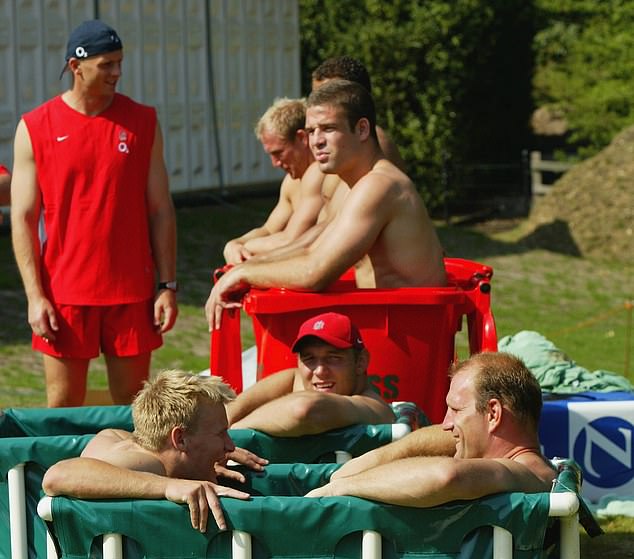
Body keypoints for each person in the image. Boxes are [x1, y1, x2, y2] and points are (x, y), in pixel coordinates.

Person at [10, 20, 178, 407]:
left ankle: (131, 471)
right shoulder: (35, 126)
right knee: (63, 406)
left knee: (136, 408)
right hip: (65, 292)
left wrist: (167, 287)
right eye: (107, 65)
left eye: (119, 63)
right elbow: (22, 217)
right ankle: (62, 471)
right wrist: (35, 297)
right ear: (76, 66)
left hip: (131, 290)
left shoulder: (142, 121)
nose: (117, 73)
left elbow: (161, 210)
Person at [206, 79, 446, 330]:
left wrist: (242, 274)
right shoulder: (361, 184)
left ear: (363, 129)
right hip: (393, 332)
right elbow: (311, 250)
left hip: (409, 341)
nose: (316, 141)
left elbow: (315, 273)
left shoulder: (379, 185)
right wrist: (249, 264)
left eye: (328, 128)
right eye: (311, 131)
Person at [305, 352, 557, 506]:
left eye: (456, 410)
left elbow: (446, 476)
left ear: (493, 414)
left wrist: (340, 488)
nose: (446, 423)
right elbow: (444, 441)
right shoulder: (522, 465)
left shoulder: (524, 472)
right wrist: (392, 452)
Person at [42, 370, 268, 532]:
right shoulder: (150, 464)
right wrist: (169, 485)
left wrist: (208, 455)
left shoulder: (124, 440)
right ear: (180, 439)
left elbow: (114, 433)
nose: (230, 446)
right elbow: (57, 476)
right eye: (221, 434)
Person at [227, 312, 394, 435]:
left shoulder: (374, 407)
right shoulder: (296, 378)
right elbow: (227, 413)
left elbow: (306, 409)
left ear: (361, 362)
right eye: (309, 359)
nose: (320, 371)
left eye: (333, 358)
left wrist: (232, 434)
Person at [223, 98, 339, 264]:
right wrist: (235, 244)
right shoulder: (291, 182)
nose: (275, 163)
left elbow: (292, 240)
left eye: (279, 153)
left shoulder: (320, 173)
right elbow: (269, 229)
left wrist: (245, 247)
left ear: (301, 138)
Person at [311, 56, 407, 172]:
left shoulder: (377, 146)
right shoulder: (332, 149)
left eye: (329, 94)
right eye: (317, 95)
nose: (318, 103)